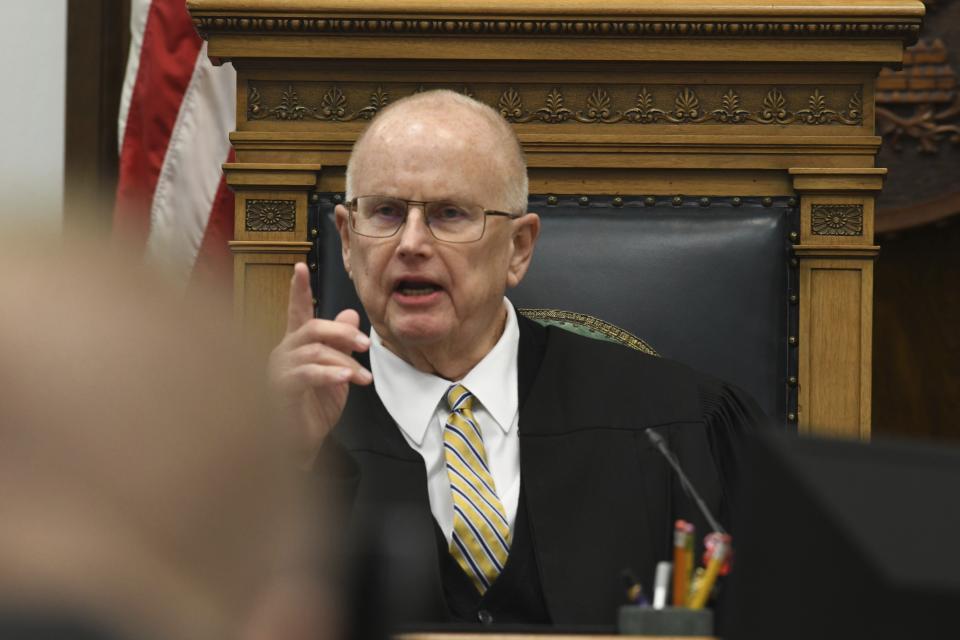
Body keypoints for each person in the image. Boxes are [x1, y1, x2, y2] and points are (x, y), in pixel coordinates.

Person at [268, 90, 767, 628]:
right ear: (346, 239)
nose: (411, 243)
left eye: (450, 214)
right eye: (386, 212)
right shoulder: (285, 429)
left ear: (519, 248)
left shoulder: (682, 425)